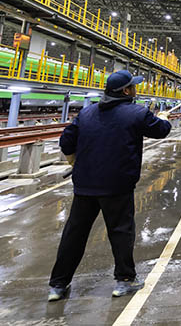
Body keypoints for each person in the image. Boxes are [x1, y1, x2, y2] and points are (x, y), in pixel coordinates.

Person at [48, 69, 172, 302]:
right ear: (126, 91)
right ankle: (124, 281)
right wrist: (164, 118)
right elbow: (161, 131)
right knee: (120, 232)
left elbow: (66, 142)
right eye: (133, 86)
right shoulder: (137, 113)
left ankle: (57, 285)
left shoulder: (86, 113)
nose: (136, 89)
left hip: (85, 185)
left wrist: (74, 161)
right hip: (117, 186)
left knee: (74, 234)